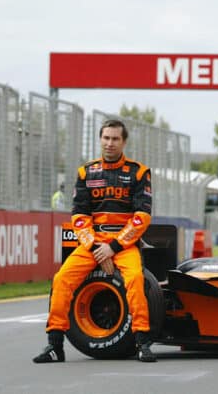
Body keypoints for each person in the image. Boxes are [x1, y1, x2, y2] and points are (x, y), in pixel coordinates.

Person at [34, 119, 156, 363]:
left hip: (124, 244)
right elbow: (79, 216)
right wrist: (95, 247)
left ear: (124, 142)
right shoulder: (85, 172)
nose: (110, 143)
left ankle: (142, 342)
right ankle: (54, 344)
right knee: (61, 279)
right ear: (100, 139)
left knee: (134, 279)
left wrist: (112, 247)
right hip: (92, 243)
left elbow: (142, 217)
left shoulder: (139, 172)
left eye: (115, 139)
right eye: (106, 138)